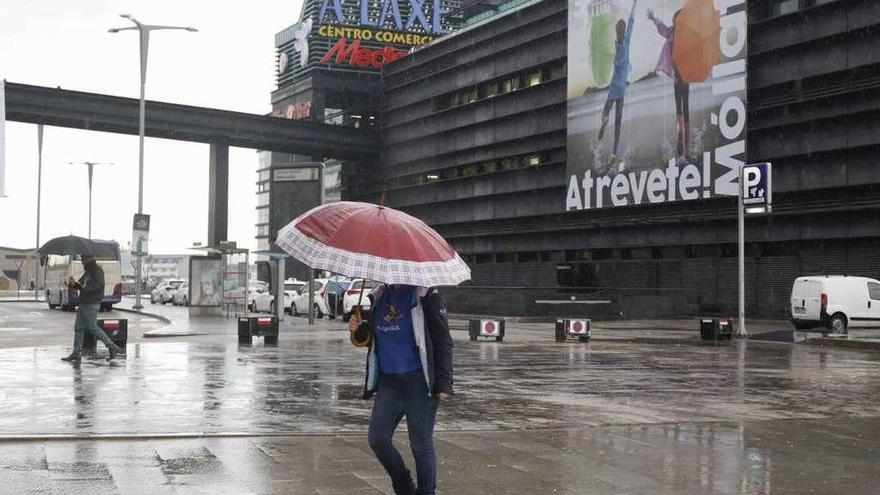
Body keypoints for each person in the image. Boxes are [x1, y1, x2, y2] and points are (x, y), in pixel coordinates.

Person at [349, 284, 453, 495]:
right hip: (389, 382)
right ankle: (404, 487)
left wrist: (444, 382)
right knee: (378, 439)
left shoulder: (426, 295)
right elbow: (373, 339)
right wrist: (358, 329)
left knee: (420, 444)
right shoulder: (379, 296)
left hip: (419, 381)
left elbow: (443, 340)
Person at [61, 255, 123, 363]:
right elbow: (81, 286)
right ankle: (76, 352)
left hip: (91, 303)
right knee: (79, 327)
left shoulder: (96, 271)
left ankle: (111, 346)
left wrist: (84, 287)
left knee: (92, 327)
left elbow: (98, 286)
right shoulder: (88, 271)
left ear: (88, 260)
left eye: (83, 259)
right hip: (84, 302)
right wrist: (72, 284)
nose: (82, 261)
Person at [597, 0, 638, 163]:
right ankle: (614, 153)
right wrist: (635, 3)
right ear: (624, 29)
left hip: (614, 84)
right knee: (618, 121)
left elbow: (617, 62)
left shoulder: (618, 44)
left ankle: (604, 121)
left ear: (616, 31)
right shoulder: (626, 41)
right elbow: (631, 20)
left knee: (606, 110)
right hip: (622, 87)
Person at [648, 8, 691, 163]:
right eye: (675, 19)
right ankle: (682, 152)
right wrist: (654, 19)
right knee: (681, 112)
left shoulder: (684, 36)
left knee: (683, 111)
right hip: (678, 78)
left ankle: (685, 151)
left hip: (683, 77)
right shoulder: (672, 33)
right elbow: (663, 29)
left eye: (677, 20)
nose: (675, 22)